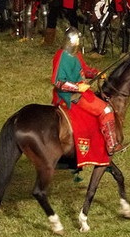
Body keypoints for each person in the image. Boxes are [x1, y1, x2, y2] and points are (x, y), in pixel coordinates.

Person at [51, 27, 123, 155]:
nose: (78, 42)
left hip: (82, 90)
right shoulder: (61, 57)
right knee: (106, 110)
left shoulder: (76, 54)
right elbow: (58, 82)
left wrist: (96, 73)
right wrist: (77, 88)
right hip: (71, 95)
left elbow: (83, 70)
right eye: (77, 40)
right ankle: (112, 146)